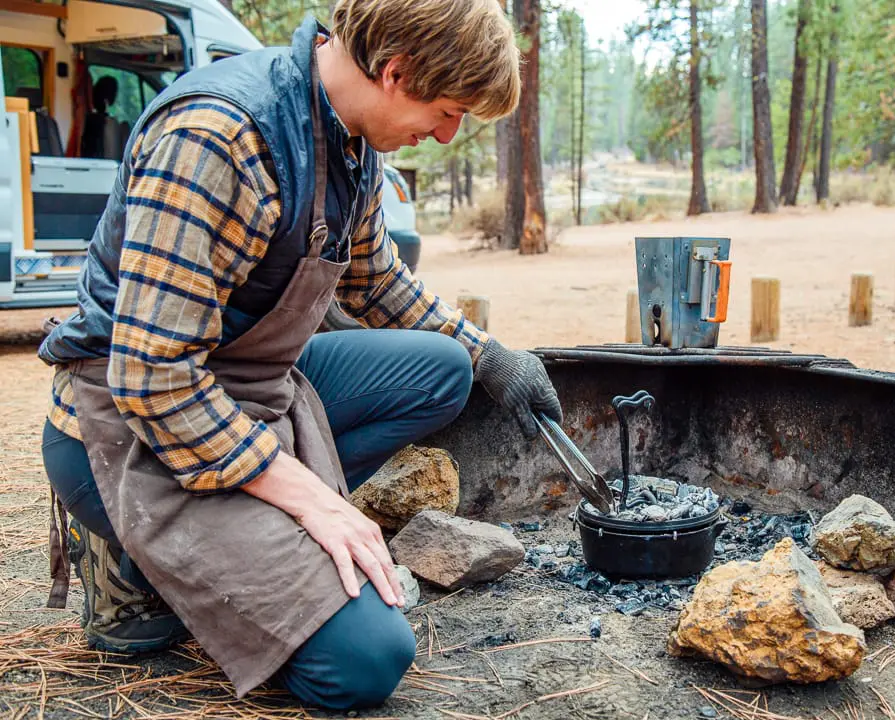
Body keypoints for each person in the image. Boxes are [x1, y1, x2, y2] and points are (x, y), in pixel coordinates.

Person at [37, 0, 561, 709]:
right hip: (130, 430)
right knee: (366, 661)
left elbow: (376, 282)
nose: (446, 134)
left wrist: (490, 354)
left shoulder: (351, 142)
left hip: (248, 391)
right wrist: (312, 498)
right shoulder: (219, 139)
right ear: (396, 71)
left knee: (442, 372)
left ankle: (245, 543)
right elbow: (152, 378)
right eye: (446, 110)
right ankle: (135, 554)